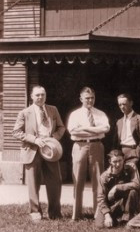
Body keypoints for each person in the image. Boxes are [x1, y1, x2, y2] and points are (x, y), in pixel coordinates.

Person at [13, 85, 65, 221]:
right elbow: (16, 132)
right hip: (32, 150)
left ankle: (54, 212)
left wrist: (53, 139)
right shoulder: (25, 112)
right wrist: (35, 139)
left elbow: (61, 127)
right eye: (37, 95)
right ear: (31, 96)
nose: (40, 97)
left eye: (43, 94)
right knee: (33, 183)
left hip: (50, 150)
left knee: (55, 181)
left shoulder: (53, 110)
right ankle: (35, 211)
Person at [67, 86, 111, 221]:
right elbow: (73, 131)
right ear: (81, 99)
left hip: (97, 145)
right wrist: (95, 130)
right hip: (80, 146)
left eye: (92, 97)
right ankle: (76, 214)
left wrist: (84, 128)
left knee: (98, 180)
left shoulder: (100, 114)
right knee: (78, 179)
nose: (90, 100)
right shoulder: (75, 114)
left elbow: (106, 129)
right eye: (87, 98)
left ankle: (98, 213)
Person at [95, 149, 140, 228]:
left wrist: (117, 187)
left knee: (133, 192)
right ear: (110, 161)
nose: (118, 164)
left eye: (120, 160)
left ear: (124, 159)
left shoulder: (131, 168)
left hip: (125, 202)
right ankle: (113, 218)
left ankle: (127, 219)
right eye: (115, 161)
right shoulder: (104, 177)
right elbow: (101, 198)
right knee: (100, 225)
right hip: (111, 204)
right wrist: (107, 215)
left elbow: (136, 184)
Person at [114, 93, 140, 176]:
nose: (122, 107)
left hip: (133, 151)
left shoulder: (139, 119)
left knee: (134, 178)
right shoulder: (119, 121)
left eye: (124, 104)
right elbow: (116, 140)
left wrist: (137, 152)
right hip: (121, 152)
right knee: (122, 178)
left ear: (131, 103)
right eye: (120, 105)